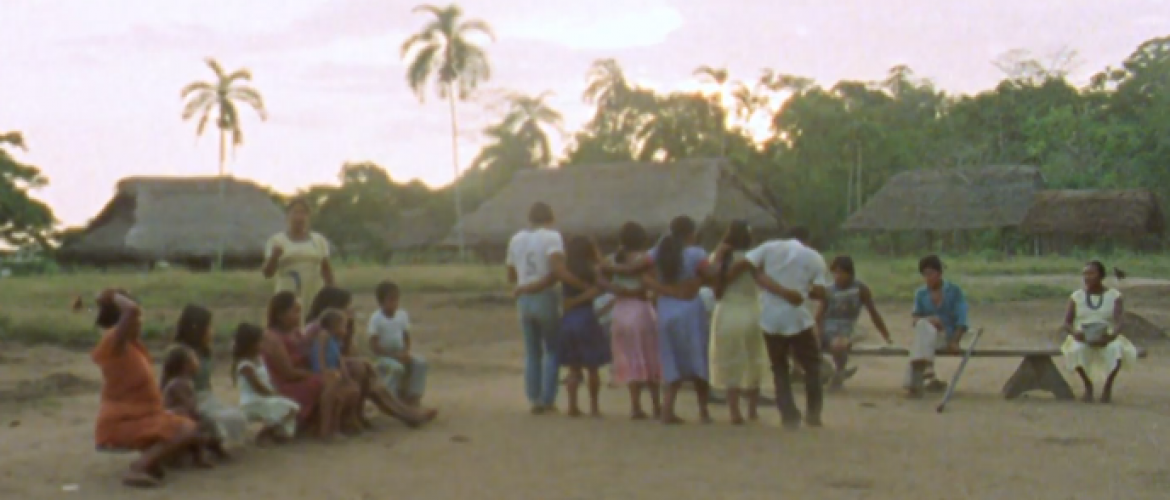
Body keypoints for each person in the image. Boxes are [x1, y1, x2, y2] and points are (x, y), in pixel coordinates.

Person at [606, 216, 714, 424]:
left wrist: (606, 270)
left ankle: (667, 409)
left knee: (670, 359)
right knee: (698, 357)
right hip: (691, 310)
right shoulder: (696, 253)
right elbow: (709, 274)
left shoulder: (656, 253)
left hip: (666, 310)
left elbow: (634, 271)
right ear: (691, 234)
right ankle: (703, 411)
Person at [91, 289, 201, 488]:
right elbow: (131, 310)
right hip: (121, 422)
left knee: (183, 418)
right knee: (185, 428)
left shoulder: (131, 347)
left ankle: (153, 461)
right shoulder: (115, 343)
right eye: (137, 319)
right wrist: (112, 295)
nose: (140, 322)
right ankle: (139, 467)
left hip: (139, 416)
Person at [505, 201, 594, 414]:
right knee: (552, 349)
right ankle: (548, 398)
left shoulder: (516, 239)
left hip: (523, 296)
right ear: (550, 219)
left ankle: (533, 398)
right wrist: (584, 285)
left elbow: (511, 275)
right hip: (544, 296)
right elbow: (557, 271)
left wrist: (526, 284)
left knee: (532, 351)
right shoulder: (552, 237)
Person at [306, 286, 438, 426]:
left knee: (370, 377)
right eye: (346, 307)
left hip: (338, 366)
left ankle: (405, 413)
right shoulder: (317, 329)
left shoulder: (336, 330)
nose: (349, 310)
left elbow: (349, 352)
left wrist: (349, 330)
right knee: (363, 370)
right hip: (325, 369)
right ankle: (405, 414)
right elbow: (323, 357)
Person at [745, 228, 830, 429]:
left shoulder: (768, 248)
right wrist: (803, 290)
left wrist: (776, 288)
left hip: (770, 318)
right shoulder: (814, 257)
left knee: (779, 367)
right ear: (807, 240)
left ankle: (788, 414)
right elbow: (819, 292)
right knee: (812, 366)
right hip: (798, 318)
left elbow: (749, 266)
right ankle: (813, 413)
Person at [708, 221, 771, 425]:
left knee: (730, 360)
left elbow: (713, 283)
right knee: (754, 359)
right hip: (752, 310)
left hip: (727, 310)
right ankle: (752, 410)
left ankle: (734, 411)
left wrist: (719, 252)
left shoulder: (719, 256)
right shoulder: (755, 258)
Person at [259, 291, 341, 438]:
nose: (299, 316)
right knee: (330, 380)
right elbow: (288, 373)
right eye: (295, 312)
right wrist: (317, 374)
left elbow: (309, 354)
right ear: (280, 314)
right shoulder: (272, 338)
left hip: (304, 377)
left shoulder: (295, 332)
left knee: (346, 371)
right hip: (287, 385)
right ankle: (325, 430)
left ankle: (334, 423)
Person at [601, 222, 661, 420]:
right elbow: (649, 285)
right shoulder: (645, 259)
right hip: (641, 310)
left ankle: (635, 406)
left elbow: (598, 277)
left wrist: (615, 289)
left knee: (630, 358)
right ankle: (656, 404)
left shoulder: (612, 260)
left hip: (620, 311)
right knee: (650, 357)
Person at [1060, 260, 1139, 403]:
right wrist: (1074, 333)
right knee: (1075, 350)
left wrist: (1112, 336)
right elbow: (1066, 322)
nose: (1087, 277)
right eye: (1085, 274)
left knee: (1116, 349)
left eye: (1091, 273)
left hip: (1106, 336)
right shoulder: (1076, 296)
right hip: (1082, 336)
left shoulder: (1114, 296)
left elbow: (1120, 320)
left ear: (1101, 276)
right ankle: (1088, 385)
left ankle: (1107, 386)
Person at [172, 305, 248, 445]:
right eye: (209, 327)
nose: (211, 332)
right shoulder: (181, 353)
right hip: (190, 399)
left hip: (207, 397)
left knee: (236, 416)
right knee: (215, 419)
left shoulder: (205, 352)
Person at [553, 236, 611, 417]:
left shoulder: (566, 270)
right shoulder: (591, 270)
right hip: (586, 317)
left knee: (573, 367)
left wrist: (572, 301)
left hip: (568, 318)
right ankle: (594, 406)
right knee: (592, 367)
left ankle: (572, 406)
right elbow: (602, 285)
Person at [816, 256, 894, 390]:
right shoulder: (829, 290)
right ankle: (826, 371)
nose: (837, 276)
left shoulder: (860, 289)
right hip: (828, 325)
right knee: (801, 343)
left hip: (846, 326)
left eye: (841, 273)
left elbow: (873, 313)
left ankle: (839, 371)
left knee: (838, 346)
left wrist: (885, 334)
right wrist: (817, 332)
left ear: (850, 273)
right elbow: (819, 315)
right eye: (835, 273)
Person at [907, 255, 970, 397]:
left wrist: (954, 341)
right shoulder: (921, 293)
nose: (928, 278)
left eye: (931, 274)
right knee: (923, 325)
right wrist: (930, 320)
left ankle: (919, 378)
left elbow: (962, 319)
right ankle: (927, 372)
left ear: (939, 273)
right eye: (925, 275)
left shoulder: (954, 291)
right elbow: (915, 318)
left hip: (945, 336)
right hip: (927, 338)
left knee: (919, 340)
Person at [262, 198, 334, 319]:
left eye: (303, 213)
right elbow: (267, 273)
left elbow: (326, 270)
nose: (299, 217)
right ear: (288, 216)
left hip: (314, 294)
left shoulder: (318, 240)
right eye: (295, 212)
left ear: (308, 217)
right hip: (288, 295)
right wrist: (274, 257)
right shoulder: (277, 241)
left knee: (313, 325)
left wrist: (332, 295)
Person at [232, 323, 300, 445]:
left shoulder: (259, 359)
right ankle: (265, 432)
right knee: (288, 407)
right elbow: (258, 388)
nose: (263, 345)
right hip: (252, 402)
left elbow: (267, 381)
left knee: (292, 408)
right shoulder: (245, 365)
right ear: (250, 345)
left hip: (264, 398)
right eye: (260, 342)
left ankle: (277, 431)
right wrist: (274, 394)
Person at [160, 346, 228, 467]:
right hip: (175, 416)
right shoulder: (179, 383)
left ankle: (204, 453)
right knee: (202, 423)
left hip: (182, 414)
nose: (198, 362)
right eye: (194, 359)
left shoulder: (185, 382)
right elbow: (187, 405)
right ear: (186, 365)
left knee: (203, 421)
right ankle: (202, 455)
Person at [367, 281, 429, 407]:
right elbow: (374, 346)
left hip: (400, 352)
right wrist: (394, 356)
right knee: (396, 368)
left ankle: (413, 395)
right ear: (381, 302)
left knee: (421, 363)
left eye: (396, 299)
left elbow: (406, 336)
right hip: (384, 356)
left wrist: (405, 351)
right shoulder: (376, 318)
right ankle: (390, 398)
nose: (395, 303)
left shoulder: (402, 315)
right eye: (391, 300)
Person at [310, 308, 362, 437]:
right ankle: (328, 428)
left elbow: (340, 361)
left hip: (334, 370)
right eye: (343, 326)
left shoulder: (337, 341)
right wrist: (323, 371)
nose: (345, 330)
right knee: (335, 385)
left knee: (353, 390)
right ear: (334, 326)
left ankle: (344, 424)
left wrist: (348, 378)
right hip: (322, 370)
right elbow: (320, 354)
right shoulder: (324, 335)